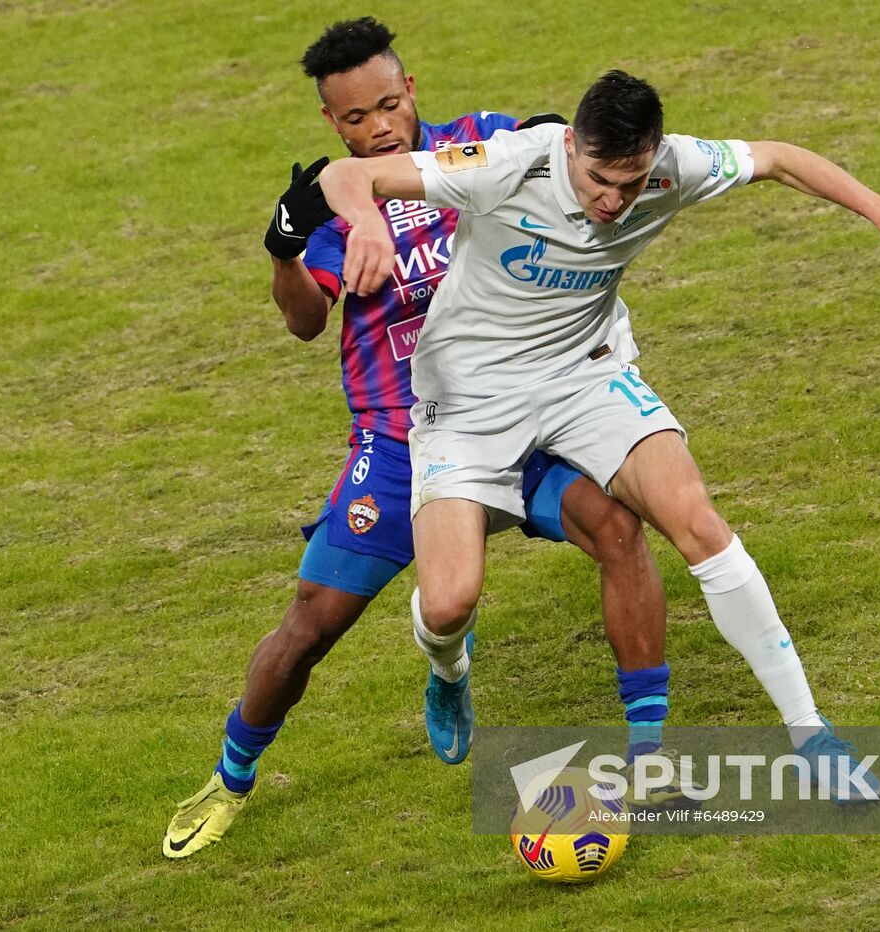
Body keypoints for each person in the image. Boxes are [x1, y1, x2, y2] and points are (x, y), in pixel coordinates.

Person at [320, 69, 880, 803]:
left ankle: (810, 733)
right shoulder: (509, 162)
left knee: (698, 523)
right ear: (570, 145)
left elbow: (780, 156)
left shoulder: (673, 168)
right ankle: (447, 669)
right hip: (468, 401)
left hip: (583, 375)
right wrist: (370, 221)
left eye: (629, 186)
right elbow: (347, 174)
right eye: (598, 181)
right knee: (448, 602)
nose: (611, 202)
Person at [163, 21, 674, 861]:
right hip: (404, 445)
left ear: (412, 89)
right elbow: (302, 322)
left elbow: (574, 159)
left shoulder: (480, 145)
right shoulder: (337, 205)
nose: (381, 129)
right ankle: (232, 778)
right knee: (310, 623)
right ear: (334, 124)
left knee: (619, 531)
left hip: (519, 421)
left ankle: (649, 760)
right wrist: (285, 251)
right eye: (358, 119)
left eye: (392, 105)